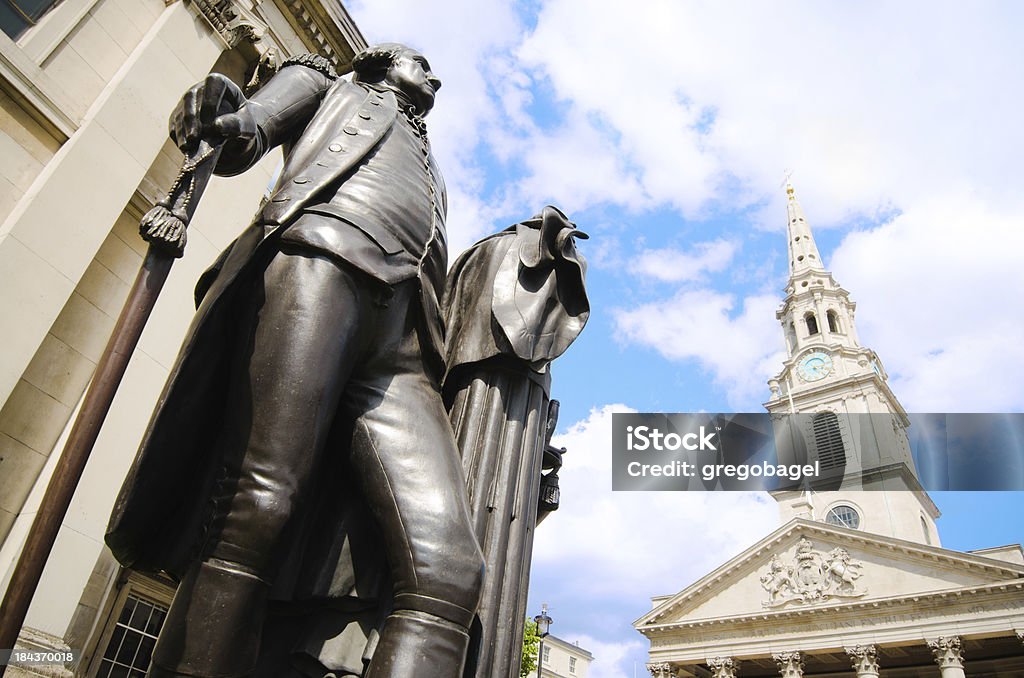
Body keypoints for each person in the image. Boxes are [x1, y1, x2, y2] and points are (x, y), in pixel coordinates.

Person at [106, 43, 484, 678]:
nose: (436, 75)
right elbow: (246, 131)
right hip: (321, 261)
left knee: (449, 568)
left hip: (406, 341)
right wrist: (218, 112)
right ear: (376, 61)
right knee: (260, 502)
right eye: (421, 62)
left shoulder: (430, 164)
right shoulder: (325, 84)